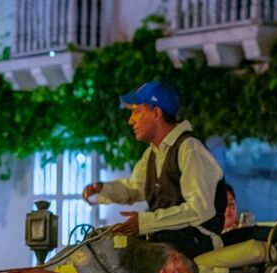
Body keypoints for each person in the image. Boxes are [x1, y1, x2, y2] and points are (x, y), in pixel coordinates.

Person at [81, 81, 226, 259]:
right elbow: (134, 188)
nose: (130, 120)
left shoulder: (189, 148)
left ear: (156, 112)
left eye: (136, 111)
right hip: (167, 241)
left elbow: (199, 210)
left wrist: (145, 222)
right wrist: (102, 189)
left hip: (197, 243)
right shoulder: (152, 153)